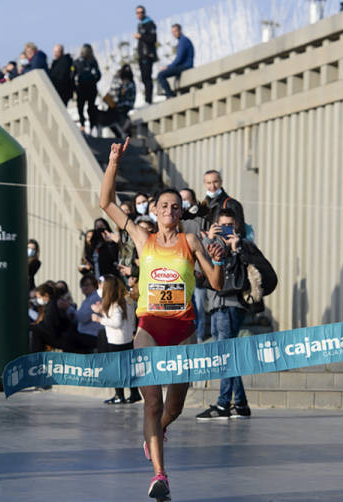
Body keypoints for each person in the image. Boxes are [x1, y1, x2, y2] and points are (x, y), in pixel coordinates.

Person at [99, 138, 225, 501]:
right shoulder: (142, 238)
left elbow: (214, 283)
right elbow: (105, 202)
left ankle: (155, 433)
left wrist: (216, 258)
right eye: (163, 205)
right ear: (154, 211)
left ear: (182, 212)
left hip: (184, 331)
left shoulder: (192, 242)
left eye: (175, 205)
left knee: (174, 407)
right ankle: (160, 475)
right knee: (152, 403)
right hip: (149, 329)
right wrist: (113, 163)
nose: (169, 209)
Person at [195, 208, 255, 420]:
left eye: (231, 224)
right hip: (216, 304)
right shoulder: (213, 245)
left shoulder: (243, 245)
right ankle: (240, 403)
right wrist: (208, 241)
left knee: (225, 356)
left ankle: (223, 404)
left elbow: (243, 274)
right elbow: (199, 266)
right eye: (223, 225)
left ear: (237, 225)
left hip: (231, 304)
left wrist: (236, 249)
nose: (227, 229)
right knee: (227, 355)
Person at [93, 275, 141, 404]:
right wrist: (101, 310)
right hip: (127, 338)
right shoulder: (127, 301)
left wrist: (99, 319)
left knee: (117, 369)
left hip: (116, 340)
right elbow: (129, 319)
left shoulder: (116, 303)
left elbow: (116, 322)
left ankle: (119, 395)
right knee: (128, 368)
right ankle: (134, 393)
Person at [179, 188, 208, 341]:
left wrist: (199, 269)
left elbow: (202, 246)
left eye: (186, 199)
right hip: (181, 273)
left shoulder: (200, 220)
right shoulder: (175, 220)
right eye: (181, 198)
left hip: (197, 273)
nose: (183, 202)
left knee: (200, 308)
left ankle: (200, 338)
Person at [197, 170, 245, 235]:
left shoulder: (231, 204)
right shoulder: (203, 204)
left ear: (221, 182)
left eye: (215, 182)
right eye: (209, 183)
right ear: (205, 184)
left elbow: (239, 230)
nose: (212, 186)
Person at [29, 283, 73, 352]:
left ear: (46, 295)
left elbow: (48, 326)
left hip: (60, 338)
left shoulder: (52, 306)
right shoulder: (52, 303)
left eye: (39, 297)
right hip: (61, 335)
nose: (37, 300)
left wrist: (32, 327)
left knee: (36, 332)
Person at [96, 64, 136, 137]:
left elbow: (114, 92)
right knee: (114, 120)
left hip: (119, 105)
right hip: (119, 105)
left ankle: (123, 134)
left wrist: (111, 101)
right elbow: (114, 91)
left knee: (115, 120)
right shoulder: (123, 79)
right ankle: (122, 134)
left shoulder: (128, 81)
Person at [156, 24, 194, 98]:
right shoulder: (182, 40)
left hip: (185, 66)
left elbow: (179, 59)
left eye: (175, 31)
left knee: (161, 75)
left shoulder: (183, 41)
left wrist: (168, 67)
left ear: (180, 30)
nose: (174, 33)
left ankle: (169, 95)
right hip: (184, 66)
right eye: (172, 32)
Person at [74, 44, 101, 133]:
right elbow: (72, 75)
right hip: (81, 88)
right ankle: (82, 125)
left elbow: (98, 74)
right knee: (80, 107)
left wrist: (93, 80)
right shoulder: (77, 62)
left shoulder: (92, 61)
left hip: (91, 88)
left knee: (91, 108)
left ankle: (92, 126)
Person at [134, 5, 158, 104]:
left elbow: (152, 39)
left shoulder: (150, 24)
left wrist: (141, 36)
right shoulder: (140, 24)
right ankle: (147, 98)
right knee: (144, 77)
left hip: (148, 55)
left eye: (141, 12)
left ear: (144, 13)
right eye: (137, 13)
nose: (139, 14)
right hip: (142, 55)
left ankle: (149, 99)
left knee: (147, 77)